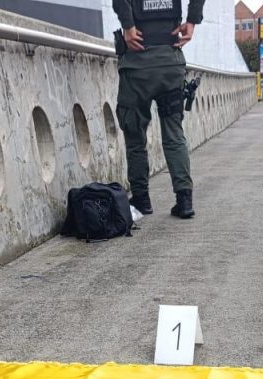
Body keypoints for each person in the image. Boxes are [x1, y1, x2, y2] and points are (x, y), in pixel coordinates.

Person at [112, 0, 203, 219]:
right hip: (170, 63)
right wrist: (192, 20)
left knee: (135, 135)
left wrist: (128, 25)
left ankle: (142, 200)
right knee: (174, 133)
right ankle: (184, 200)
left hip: (137, 65)